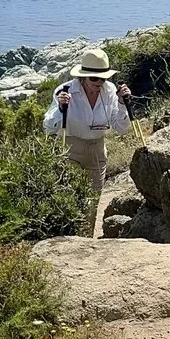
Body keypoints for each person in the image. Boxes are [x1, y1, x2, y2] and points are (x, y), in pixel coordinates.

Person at [44, 48, 133, 233]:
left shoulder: (110, 91)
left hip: (97, 151)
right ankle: (66, 238)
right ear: (83, 77)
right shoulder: (65, 90)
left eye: (103, 78)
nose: (99, 83)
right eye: (94, 78)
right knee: (70, 198)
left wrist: (122, 104)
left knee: (92, 203)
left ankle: (85, 242)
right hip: (70, 149)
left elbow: (121, 128)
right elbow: (49, 126)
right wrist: (61, 108)